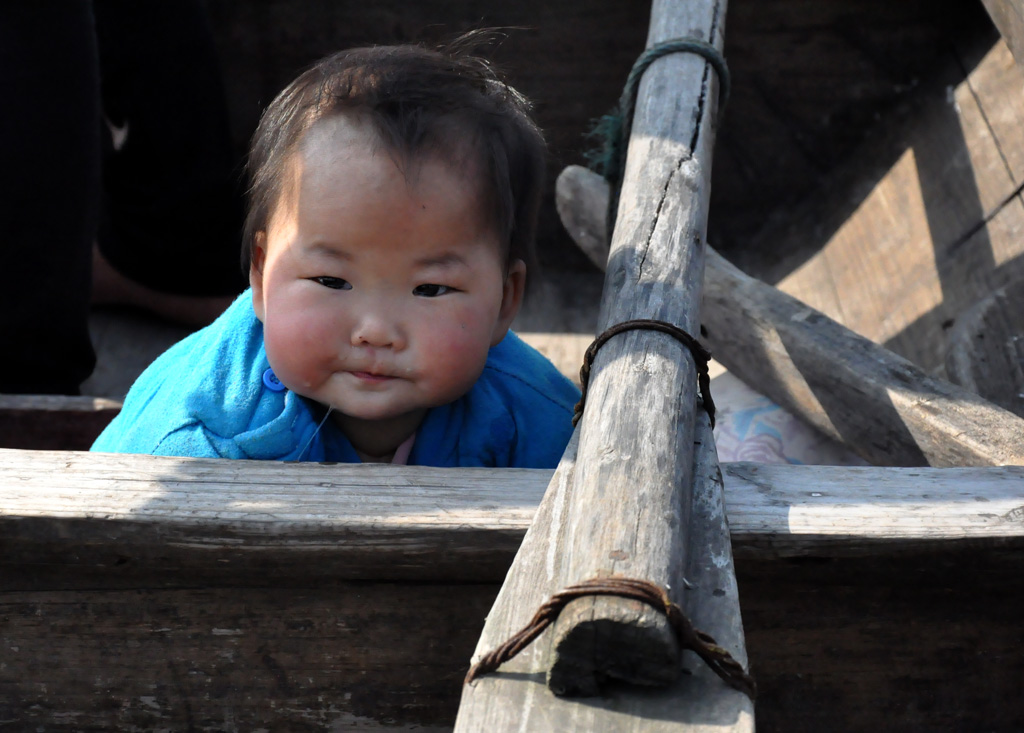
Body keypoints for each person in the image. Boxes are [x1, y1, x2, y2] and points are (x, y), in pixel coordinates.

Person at [91, 43, 580, 467]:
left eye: (430, 289)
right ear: (261, 277)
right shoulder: (192, 446)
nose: (375, 331)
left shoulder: (539, 417)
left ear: (503, 301)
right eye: (330, 280)